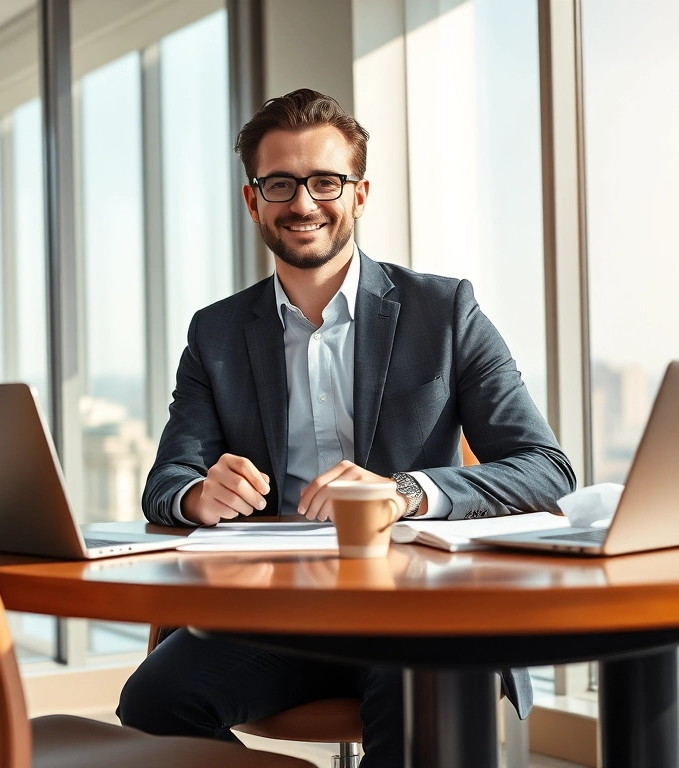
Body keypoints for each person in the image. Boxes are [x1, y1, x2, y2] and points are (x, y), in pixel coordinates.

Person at [117, 88, 575, 768]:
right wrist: (197, 495)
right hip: (274, 616)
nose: (303, 203)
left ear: (359, 194)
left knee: (423, 703)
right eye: (279, 184)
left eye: (325, 181)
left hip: (414, 614)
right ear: (253, 201)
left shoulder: (444, 311)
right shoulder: (215, 332)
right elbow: (167, 483)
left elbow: (545, 468)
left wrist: (405, 491)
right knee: (153, 703)